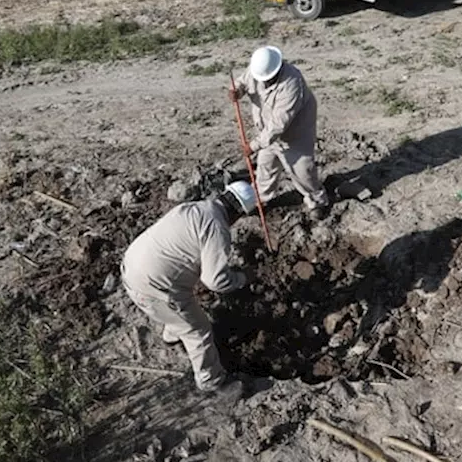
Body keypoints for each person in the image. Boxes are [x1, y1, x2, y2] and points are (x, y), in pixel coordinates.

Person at [122, 181, 256, 398]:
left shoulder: (193, 208)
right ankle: (211, 381)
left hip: (132, 266)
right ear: (239, 212)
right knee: (198, 329)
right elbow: (216, 281)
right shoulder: (217, 228)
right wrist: (242, 278)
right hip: (151, 287)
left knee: (180, 306)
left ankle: (172, 335)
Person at [234, 46, 331, 220]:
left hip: (295, 133)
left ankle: (316, 200)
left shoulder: (292, 83)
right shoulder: (259, 69)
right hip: (266, 133)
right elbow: (243, 81)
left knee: (302, 171)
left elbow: (278, 125)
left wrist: (253, 146)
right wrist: (237, 90)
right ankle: (261, 200)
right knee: (265, 167)